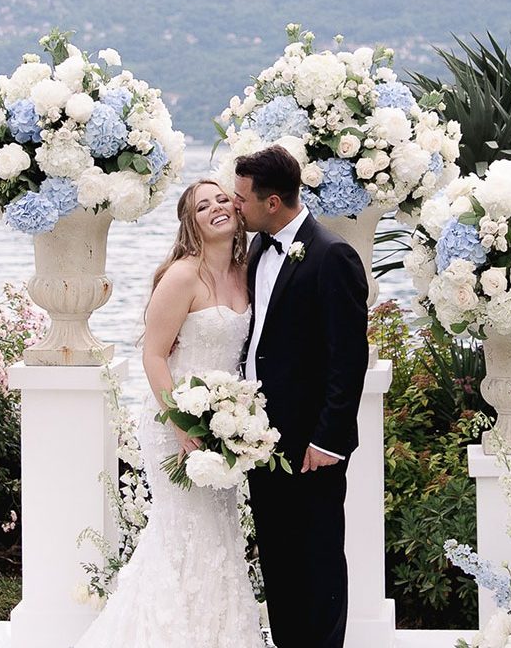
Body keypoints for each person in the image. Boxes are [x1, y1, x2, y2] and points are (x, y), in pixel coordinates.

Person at [74, 180, 265, 648]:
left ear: (238, 209)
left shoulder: (249, 271)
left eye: (223, 199)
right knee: (183, 534)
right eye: (203, 206)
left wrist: (238, 422)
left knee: (218, 536)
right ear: (191, 222)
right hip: (175, 420)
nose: (217, 208)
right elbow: (155, 357)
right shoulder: (182, 276)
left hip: (224, 426)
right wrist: (181, 422)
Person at [234, 145, 369, 648]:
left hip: (313, 445)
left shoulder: (332, 255)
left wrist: (329, 439)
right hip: (260, 439)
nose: (235, 206)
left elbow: (347, 358)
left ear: (272, 203)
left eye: (242, 199)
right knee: (279, 560)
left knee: (318, 561)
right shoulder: (256, 249)